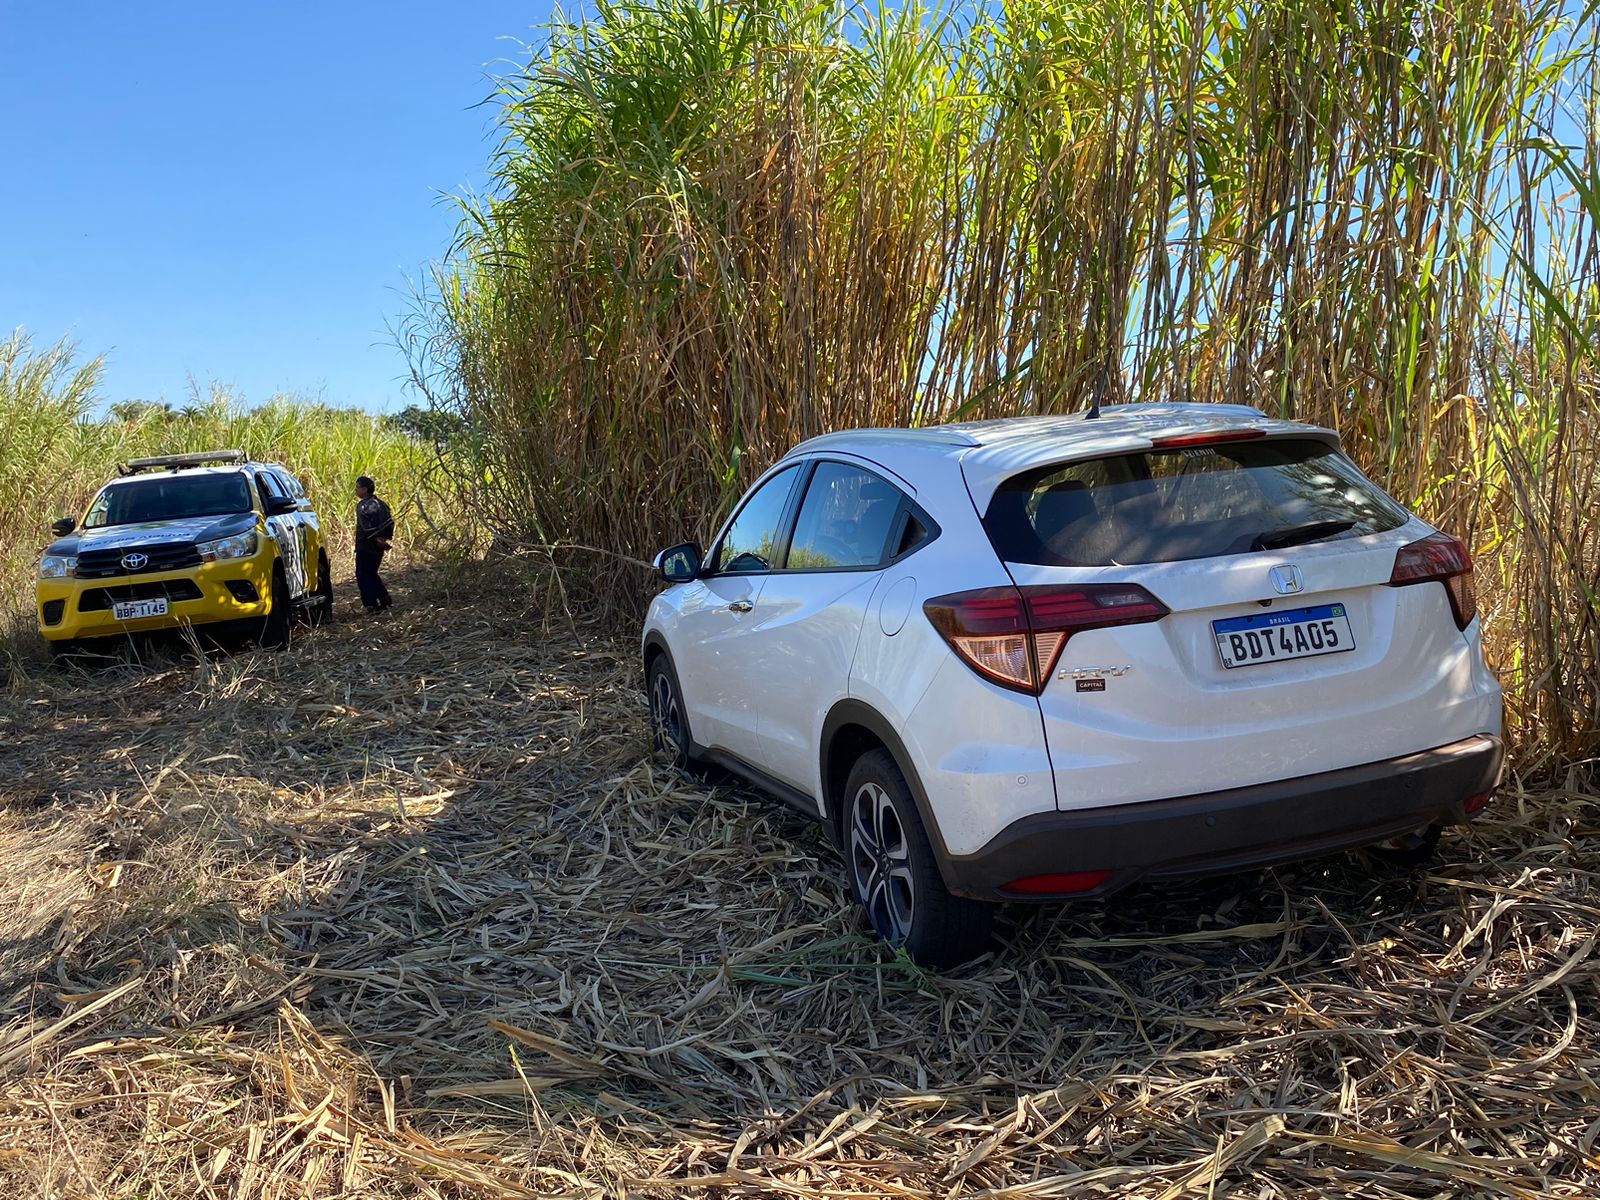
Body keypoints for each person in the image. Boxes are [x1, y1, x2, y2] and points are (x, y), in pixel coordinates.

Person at [354, 475, 394, 613]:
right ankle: (383, 597)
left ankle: (371, 604)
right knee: (371, 572)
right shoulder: (382, 504)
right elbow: (390, 523)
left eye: (358, 487)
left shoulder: (362, 506)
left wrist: (375, 538)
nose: (356, 490)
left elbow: (365, 527)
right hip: (379, 545)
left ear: (365, 489)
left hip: (366, 545)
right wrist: (384, 539)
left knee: (362, 574)